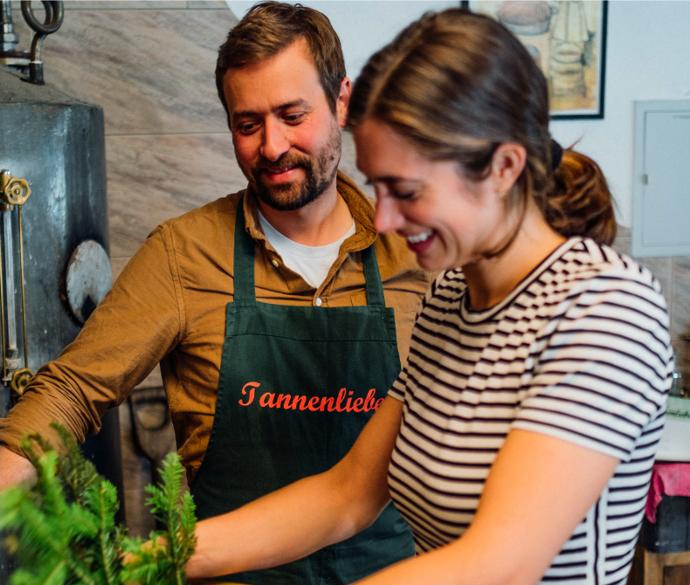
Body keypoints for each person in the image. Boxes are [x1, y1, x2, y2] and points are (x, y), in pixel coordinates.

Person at [185, 8, 674, 585]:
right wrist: (142, 555)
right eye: (378, 187)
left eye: (407, 191)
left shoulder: (606, 307)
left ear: (503, 168)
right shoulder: (451, 297)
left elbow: (501, 562)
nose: (384, 220)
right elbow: (346, 495)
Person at [0, 2, 430, 582]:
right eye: (248, 124)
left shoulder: (416, 257)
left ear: (341, 100)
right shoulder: (184, 254)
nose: (272, 146)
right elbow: (71, 391)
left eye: (292, 114)